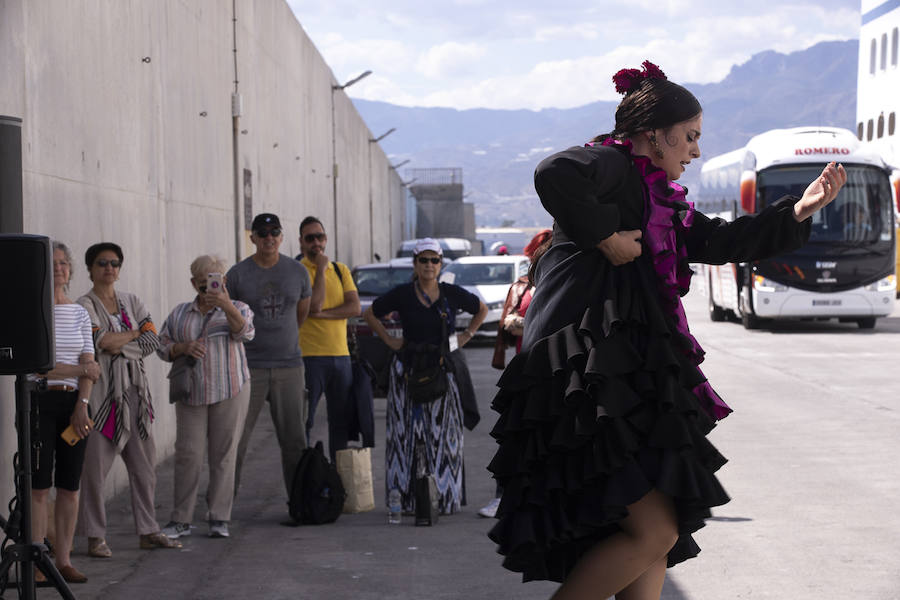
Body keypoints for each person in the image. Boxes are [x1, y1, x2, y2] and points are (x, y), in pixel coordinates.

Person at [486, 61, 846, 599]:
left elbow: (722, 241)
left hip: (626, 373)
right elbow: (552, 171)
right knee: (654, 531)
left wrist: (799, 210)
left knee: (659, 534)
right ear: (654, 134)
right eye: (691, 137)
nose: (695, 151)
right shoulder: (611, 164)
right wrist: (605, 235)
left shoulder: (663, 203)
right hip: (584, 372)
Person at [363, 238, 488, 516]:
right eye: (424, 260)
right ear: (415, 263)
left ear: (441, 264)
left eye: (435, 260)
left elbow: (482, 309)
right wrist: (389, 340)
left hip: (443, 370)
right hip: (408, 370)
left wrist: (465, 336)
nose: (429, 265)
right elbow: (370, 314)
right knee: (404, 435)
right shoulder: (403, 294)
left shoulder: (450, 293)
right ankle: (406, 498)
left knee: (445, 435)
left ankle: (444, 496)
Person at [76, 242, 182, 557]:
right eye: (102, 263)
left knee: (144, 468)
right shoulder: (85, 305)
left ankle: (148, 530)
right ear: (91, 269)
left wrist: (119, 342)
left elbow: (153, 340)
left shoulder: (131, 300)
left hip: (135, 395)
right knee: (94, 471)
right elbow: (98, 341)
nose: (109, 268)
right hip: (102, 398)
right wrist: (132, 335)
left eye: (114, 263)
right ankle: (95, 536)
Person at [157, 255, 255, 540]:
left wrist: (225, 305)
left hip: (230, 388)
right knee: (188, 454)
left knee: (223, 454)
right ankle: (181, 519)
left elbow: (246, 333)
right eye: (203, 286)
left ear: (223, 281)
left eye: (214, 283)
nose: (208, 290)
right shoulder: (179, 313)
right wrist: (182, 347)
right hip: (193, 392)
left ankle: (219, 517)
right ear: (193, 284)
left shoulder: (238, 308)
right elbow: (162, 346)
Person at [29, 241, 100, 583]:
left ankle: (64, 559)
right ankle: (38, 561)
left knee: (70, 486)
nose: (58, 268)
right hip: (40, 402)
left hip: (74, 405)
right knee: (39, 487)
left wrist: (82, 404)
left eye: (63, 263)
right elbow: (37, 369)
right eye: (52, 263)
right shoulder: (33, 311)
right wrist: (79, 372)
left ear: (71, 270)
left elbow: (91, 363)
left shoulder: (80, 313)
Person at [228, 213, 312, 497]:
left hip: (289, 366)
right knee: (235, 439)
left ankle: (300, 501)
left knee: (294, 440)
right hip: (248, 367)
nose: (268, 238)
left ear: (282, 236)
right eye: (262, 233)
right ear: (252, 238)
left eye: (274, 232)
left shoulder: (297, 272)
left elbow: (302, 312)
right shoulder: (237, 275)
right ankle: (222, 506)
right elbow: (229, 316)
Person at [481, 228, 552, 519]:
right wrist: (531, 323)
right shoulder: (522, 287)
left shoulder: (568, 283)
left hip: (558, 372)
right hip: (525, 370)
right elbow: (509, 321)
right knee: (513, 438)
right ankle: (502, 497)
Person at [296, 216, 361, 460]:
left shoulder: (340, 269)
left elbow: (355, 308)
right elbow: (314, 305)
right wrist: (321, 270)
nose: (316, 243)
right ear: (301, 242)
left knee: (340, 423)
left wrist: (322, 315)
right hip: (309, 358)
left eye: (320, 237)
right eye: (310, 238)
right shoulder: (298, 271)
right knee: (306, 421)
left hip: (341, 357)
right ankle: (305, 477)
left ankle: (339, 481)